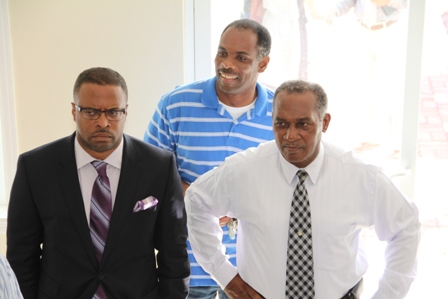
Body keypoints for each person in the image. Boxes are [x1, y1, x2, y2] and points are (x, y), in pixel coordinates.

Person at [185, 79, 420, 299]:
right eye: (281, 124)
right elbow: (197, 201)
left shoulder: (360, 177)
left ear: (324, 123)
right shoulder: (243, 171)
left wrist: (387, 294)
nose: (290, 136)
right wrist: (226, 277)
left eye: (303, 124)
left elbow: (406, 226)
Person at [7, 67, 190, 298]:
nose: (103, 122)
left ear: (125, 112)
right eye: (91, 112)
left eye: (114, 112)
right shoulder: (35, 167)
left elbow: (174, 252)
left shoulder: (159, 167)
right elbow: (21, 256)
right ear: (74, 111)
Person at [143, 19, 273, 299]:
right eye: (222, 53)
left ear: (263, 64)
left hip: (253, 269)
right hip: (187, 262)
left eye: (241, 57)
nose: (227, 64)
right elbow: (147, 173)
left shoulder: (280, 114)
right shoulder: (175, 104)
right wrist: (196, 198)